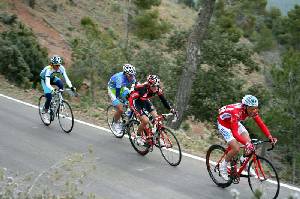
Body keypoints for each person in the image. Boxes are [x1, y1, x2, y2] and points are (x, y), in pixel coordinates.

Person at [217, 95, 278, 180]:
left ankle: (243, 160)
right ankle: (222, 166)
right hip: (224, 124)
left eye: (256, 108)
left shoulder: (251, 111)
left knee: (249, 141)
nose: (255, 111)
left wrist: (270, 136)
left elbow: (261, 124)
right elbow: (235, 133)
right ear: (245, 107)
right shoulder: (236, 112)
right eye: (252, 109)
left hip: (234, 122)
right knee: (236, 148)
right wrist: (246, 143)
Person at [128, 74, 176, 144]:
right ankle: (138, 135)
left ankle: (156, 136)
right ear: (149, 85)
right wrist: (135, 111)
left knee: (156, 118)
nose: (155, 88)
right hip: (136, 102)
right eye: (153, 86)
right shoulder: (142, 89)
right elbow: (131, 99)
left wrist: (171, 109)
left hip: (145, 101)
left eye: (157, 85)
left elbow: (164, 100)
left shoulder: (157, 89)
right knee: (145, 120)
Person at [40, 55, 76, 124]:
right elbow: (47, 83)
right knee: (49, 96)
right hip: (45, 80)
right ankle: (45, 112)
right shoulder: (48, 69)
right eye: (56, 65)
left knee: (61, 84)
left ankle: (57, 101)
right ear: (52, 64)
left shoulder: (61, 68)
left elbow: (66, 78)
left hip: (52, 78)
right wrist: (52, 89)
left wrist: (71, 87)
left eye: (58, 65)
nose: (57, 67)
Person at [108, 64, 136, 136]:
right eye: (130, 75)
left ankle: (127, 113)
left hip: (122, 88)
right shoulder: (119, 78)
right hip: (113, 90)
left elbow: (136, 85)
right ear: (125, 74)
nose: (132, 77)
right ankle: (115, 123)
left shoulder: (132, 76)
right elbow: (117, 94)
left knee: (132, 99)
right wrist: (123, 101)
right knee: (120, 109)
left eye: (133, 75)